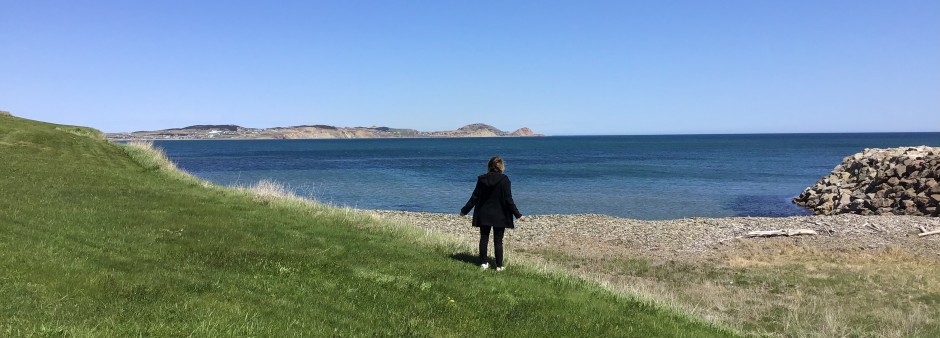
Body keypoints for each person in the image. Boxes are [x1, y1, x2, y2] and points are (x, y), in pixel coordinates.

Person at [460, 156, 526, 271]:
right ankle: (499, 266)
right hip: (500, 215)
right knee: (498, 241)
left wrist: (464, 210)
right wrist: (518, 215)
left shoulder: (482, 179)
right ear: (501, 167)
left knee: (484, 238)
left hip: (484, 213)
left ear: (489, 166)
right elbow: (508, 200)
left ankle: (484, 263)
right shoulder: (504, 180)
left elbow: (474, 198)